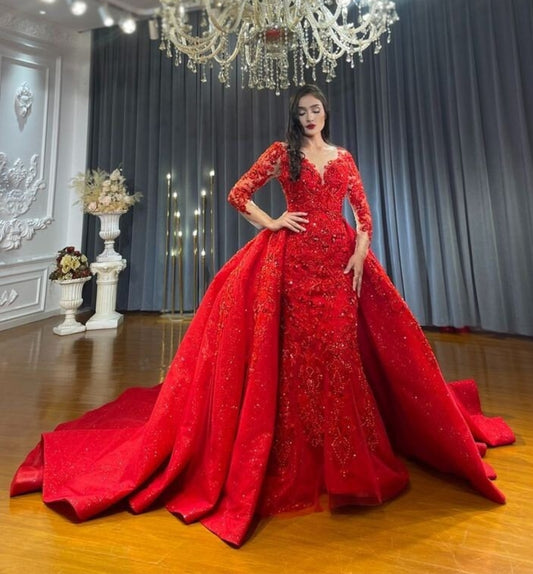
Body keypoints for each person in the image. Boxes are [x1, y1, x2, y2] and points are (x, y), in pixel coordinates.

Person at [10, 84, 514, 547]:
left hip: (340, 266)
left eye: (316, 110)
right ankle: (299, 463)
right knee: (298, 360)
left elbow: (363, 214)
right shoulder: (281, 153)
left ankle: (349, 463)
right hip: (295, 266)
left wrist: (362, 250)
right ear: (295, 118)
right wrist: (273, 221)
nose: (311, 117)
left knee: (339, 357)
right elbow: (237, 193)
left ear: (326, 113)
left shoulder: (343, 157)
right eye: (303, 112)